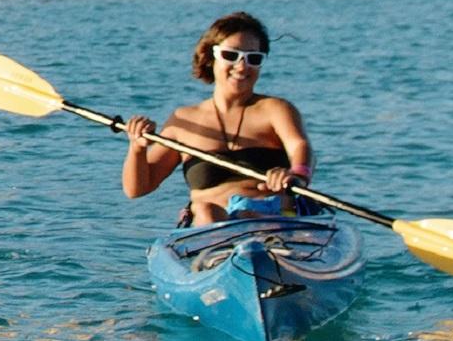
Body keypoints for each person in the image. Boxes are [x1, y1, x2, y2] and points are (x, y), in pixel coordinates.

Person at [121, 13, 316, 226]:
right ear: (210, 56)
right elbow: (137, 189)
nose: (242, 67)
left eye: (254, 58)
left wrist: (297, 176)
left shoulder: (276, 109)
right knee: (205, 211)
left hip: (271, 220)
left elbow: (299, 145)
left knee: (248, 216)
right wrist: (137, 148)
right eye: (231, 55)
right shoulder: (183, 120)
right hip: (209, 229)